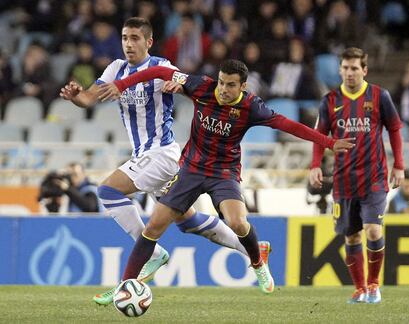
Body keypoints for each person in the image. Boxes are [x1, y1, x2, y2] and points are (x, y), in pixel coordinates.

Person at [97, 59, 355, 294]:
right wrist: (121, 85)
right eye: (221, 82)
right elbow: (158, 71)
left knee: (238, 223)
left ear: (243, 85)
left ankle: (257, 262)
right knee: (153, 226)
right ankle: (124, 286)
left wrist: (328, 143)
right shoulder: (201, 87)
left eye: (230, 85)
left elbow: (288, 125)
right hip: (190, 169)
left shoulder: (251, 106)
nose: (223, 89)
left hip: (223, 172)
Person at [59, 17, 266, 305]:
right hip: (147, 156)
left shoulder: (162, 67)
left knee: (107, 190)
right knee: (188, 221)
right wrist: (76, 98)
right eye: (124, 38)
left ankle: (153, 254)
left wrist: (176, 86)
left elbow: (189, 86)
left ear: (148, 42)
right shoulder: (115, 68)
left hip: (161, 153)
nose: (128, 44)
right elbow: (90, 98)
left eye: (134, 38)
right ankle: (253, 250)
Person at [309, 47, 405, 304]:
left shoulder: (379, 96)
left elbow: (395, 129)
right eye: (346, 68)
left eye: (355, 68)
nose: (349, 73)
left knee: (373, 230)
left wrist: (399, 165)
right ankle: (360, 288)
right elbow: (319, 136)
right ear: (340, 69)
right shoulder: (329, 101)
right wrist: (315, 165)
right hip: (343, 180)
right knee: (351, 235)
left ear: (364, 70)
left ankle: (374, 285)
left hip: (374, 177)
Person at [38, 162, 103, 213]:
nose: (72, 178)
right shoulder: (68, 191)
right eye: (69, 175)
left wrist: (68, 189)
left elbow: (89, 207)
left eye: (75, 174)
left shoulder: (90, 188)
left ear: (83, 174)